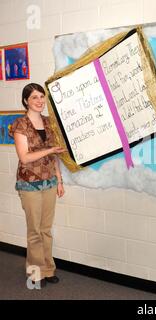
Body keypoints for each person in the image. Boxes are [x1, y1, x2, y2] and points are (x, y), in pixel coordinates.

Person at [9, 83, 66, 288]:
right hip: (29, 184)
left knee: (46, 230)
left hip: (49, 182)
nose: (40, 101)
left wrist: (59, 179)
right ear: (26, 100)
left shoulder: (49, 122)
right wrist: (50, 150)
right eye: (35, 97)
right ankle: (35, 273)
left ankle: (48, 269)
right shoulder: (20, 124)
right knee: (34, 232)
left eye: (42, 97)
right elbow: (24, 157)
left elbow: (56, 155)